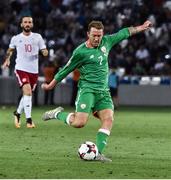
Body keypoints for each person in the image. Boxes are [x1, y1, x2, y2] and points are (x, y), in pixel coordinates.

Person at [41, 20, 152, 161]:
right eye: (94, 35)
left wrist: (141, 27)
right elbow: (66, 69)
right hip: (87, 90)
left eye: (99, 35)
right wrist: (50, 85)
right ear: (88, 34)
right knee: (79, 123)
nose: (97, 38)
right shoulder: (80, 52)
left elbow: (124, 32)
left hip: (103, 92)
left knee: (108, 119)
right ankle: (56, 114)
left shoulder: (107, 42)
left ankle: (98, 153)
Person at [2, 15, 48, 128]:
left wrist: (45, 52)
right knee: (27, 91)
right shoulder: (16, 38)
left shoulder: (38, 37)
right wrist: (7, 59)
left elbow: (44, 50)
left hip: (34, 71)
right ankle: (29, 120)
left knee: (27, 94)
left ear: (32, 24)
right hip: (21, 68)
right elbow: (10, 50)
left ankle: (17, 113)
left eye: (29, 22)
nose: (27, 24)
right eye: (25, 22)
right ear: (21, 24)